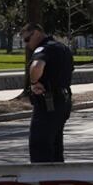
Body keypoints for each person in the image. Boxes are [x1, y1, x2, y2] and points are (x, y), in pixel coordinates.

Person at [22, 23, 74, 163]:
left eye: (27, 39)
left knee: (40, 147)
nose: (27, 44)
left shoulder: (44, 48)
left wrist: (33, 82)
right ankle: (57, 179)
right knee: (56, 146)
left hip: (47, 103)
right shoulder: (63, 48)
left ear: (37, 32)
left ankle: (42, 181)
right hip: (64, 101)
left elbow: (37, 66)